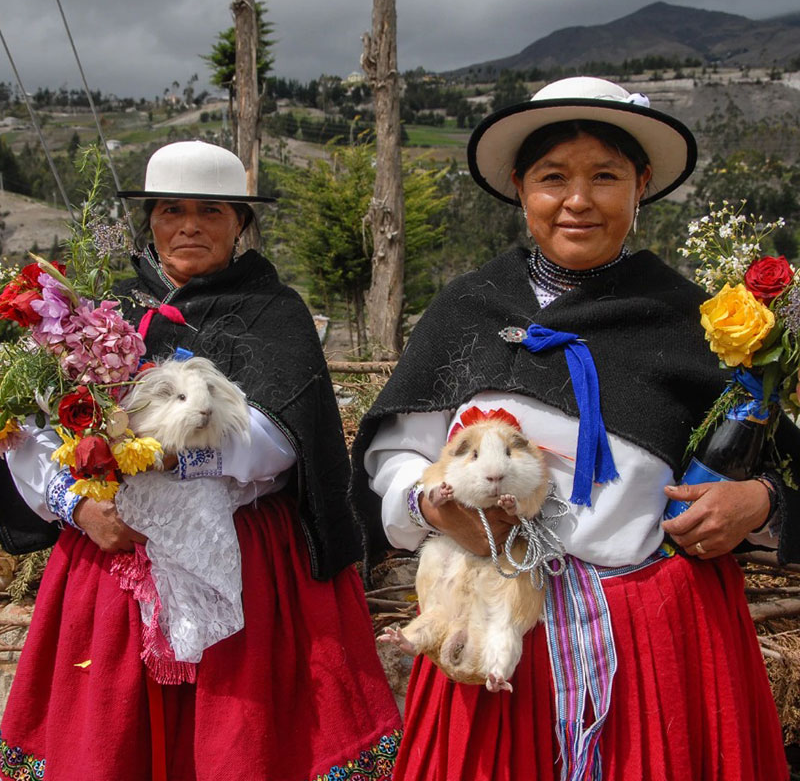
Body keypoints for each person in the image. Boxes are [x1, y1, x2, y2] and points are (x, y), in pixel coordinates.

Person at [350, 77, 798, 780]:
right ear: (519, 187)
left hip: (655, 636)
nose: (578, 200)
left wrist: (759, 501)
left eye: (605, 176)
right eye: (553, 177)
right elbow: (397, 451)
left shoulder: (692, 321)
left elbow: (778, 465)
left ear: (641, 184)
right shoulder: (467, 311)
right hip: (493, 618)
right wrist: (429, 505)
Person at [1, 141, 401, 781]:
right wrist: (77, 505)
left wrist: (163, 457)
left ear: (240, 223)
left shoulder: (273, 313)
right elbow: (30, 428)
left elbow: (278, 438)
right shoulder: (97, 312)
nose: (189, 225)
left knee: (237, 738)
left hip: (242, 564)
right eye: (171, 210)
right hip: (111, 555)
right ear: (150, 220)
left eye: (211, 210)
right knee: (110, 736)